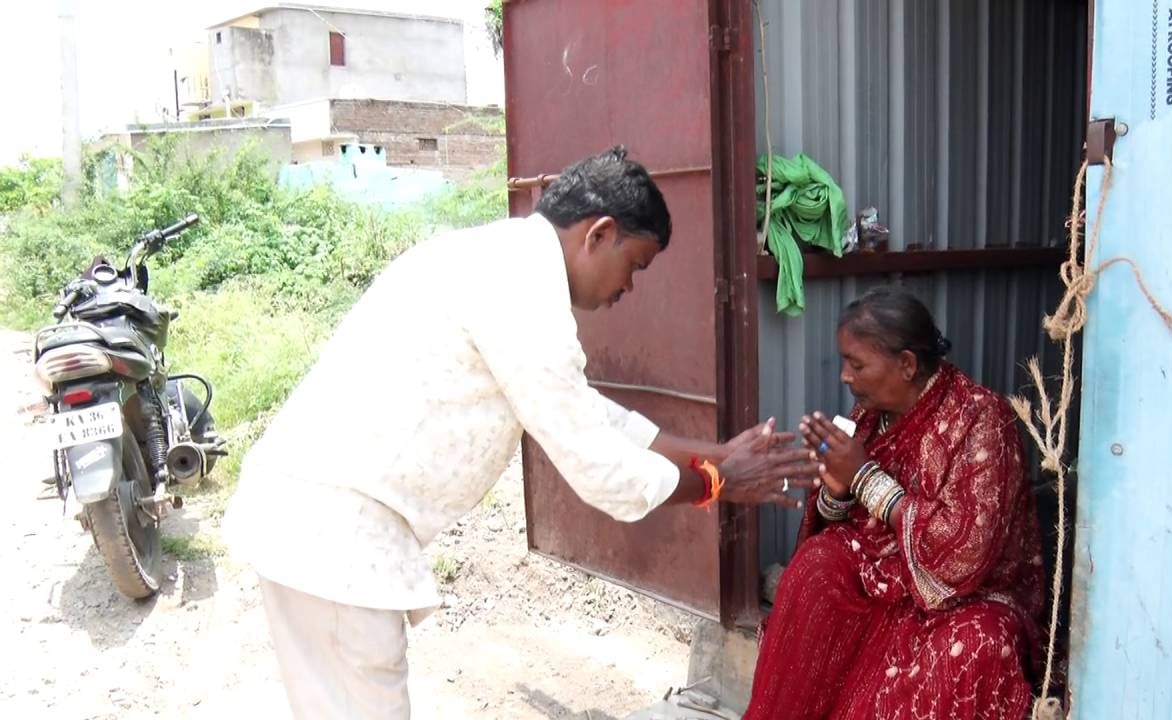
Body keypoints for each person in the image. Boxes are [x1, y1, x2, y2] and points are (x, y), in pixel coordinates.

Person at [222, 147, 820, 720]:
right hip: (335, 540)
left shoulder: (502, 260)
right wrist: (719, 481)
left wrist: (716, 455)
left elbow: (587, 415)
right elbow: (600, 469)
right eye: (634, 266)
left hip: (319, 526)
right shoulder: (522, 290)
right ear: (599, 234)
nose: (628, 289)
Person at [744, 287, 1045, 720]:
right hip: (884, 571)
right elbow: (839, 520)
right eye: (845, 362)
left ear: (906, 365)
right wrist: (835, 491)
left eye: (857, 364)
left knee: (976, 645)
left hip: (970, 592)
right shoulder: (868, 415)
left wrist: (865, 479)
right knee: (816, 564)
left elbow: (963, 554)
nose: (845, 377)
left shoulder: (982, 419)